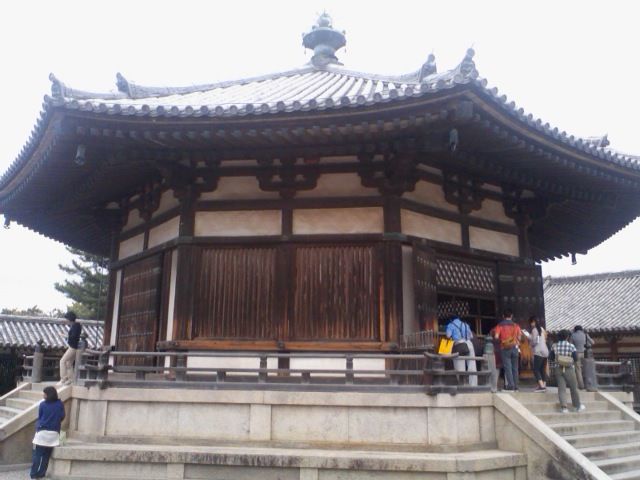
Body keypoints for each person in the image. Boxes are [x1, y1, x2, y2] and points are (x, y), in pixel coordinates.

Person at [30, 386, 65, 479]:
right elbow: (62, 416)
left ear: (48, 394)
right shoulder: (60, 404)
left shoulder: (43, 404)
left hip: (42, 432)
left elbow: (40, 417)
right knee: (46, 455)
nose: (43, 395)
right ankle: (41, 474)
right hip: (54, 433)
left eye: (44, 393)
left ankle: (33, 474)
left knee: (37, 455)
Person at [550, 330, 585, 413]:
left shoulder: (554, 346)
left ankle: (564, 408)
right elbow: (576, 358)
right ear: (567, 337)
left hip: (558, 368)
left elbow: (551, 357)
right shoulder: (571, 346)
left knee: (561, 388)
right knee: (573, 387)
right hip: (569, 368)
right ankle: (577, 406)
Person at [493, 309, 522, 391]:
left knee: (508, 367)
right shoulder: (516, 326)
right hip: (515, 348)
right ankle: (516, 386)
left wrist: (503, 340)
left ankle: (510, 386)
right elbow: (519, 337)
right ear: (511, 316)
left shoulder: (500, 325)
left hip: (505, 348)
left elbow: (496, 336)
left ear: (503, 316)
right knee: (515, 368)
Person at [445, 315, 477, 386]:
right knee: (472, 365)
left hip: (459, 345)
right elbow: (471, 336)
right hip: (469, 344)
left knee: (460, 366)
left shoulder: (451, 325)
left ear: (451, 319)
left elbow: (448, 336)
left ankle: (462, 385)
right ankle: (473, 384)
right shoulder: (466, 324)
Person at [59, 311, 81, 385]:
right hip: (73, 346)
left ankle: (63, 378)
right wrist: (66, 335)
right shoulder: (74, 325)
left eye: (66, 319)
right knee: (69, 363)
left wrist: (64, 336)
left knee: (62, 361)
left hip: (73, 347)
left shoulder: (76, 326)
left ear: (69, 318)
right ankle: (71, 379)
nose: (66, 320)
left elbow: (74, 336)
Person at [528, 316, 549, 392]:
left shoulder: (534, 330)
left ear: (533, 322)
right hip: (545, 351)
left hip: (538, 351)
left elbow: (534, 342)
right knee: (542, 369)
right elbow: (545, 339)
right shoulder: (542, 329)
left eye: (531, 323)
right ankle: (543, 385)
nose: (530, 324)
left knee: (536, 369)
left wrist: (529, 337)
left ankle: (542, 387)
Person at [570, 325, 594, 390]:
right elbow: (592, 342)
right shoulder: (585, 335)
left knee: (578, 370)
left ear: (575, 329)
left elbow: (570, 345)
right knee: (586, 369)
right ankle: (588, 384)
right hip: (585, 353)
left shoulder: (573, 335)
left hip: (576, 354)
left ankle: (581, 385)